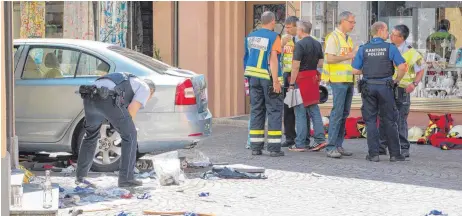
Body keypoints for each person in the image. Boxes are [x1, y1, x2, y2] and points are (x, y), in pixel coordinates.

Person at [76, 72, 156, 187]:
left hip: (89, 97)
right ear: (151, 92)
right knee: (130, 135)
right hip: (108, 97)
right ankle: (126, 179)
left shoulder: (129, 79)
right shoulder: (145, 88)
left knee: (90, 135)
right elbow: (131, 111)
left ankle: (80, 177)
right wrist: (125, 129)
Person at [352, 21, 407, 162]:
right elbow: (402, 67)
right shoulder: (390, 48)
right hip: (386, 87)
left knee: (370, 121)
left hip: (368, 87)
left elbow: (355, 70)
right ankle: (395, 154)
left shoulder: (363, 48)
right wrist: (397, 80)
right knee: (389, 120)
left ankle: (373, 154)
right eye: (387, 30)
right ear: (380, 30)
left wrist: (370, 70)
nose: (388, 33)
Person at [244, 11, 285, 157]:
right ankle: (274, 148)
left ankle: (255, 147)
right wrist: (276, 81)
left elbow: (247, 56)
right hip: (268, 78)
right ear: (273, 21)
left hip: (253, 78)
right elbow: (273, 59)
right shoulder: (274, 36)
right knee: (274, 111)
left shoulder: (250, 36)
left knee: (256, 110)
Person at [379, 24, 424, 157]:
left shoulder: (412, 52)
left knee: (401, 120)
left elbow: (420, 70)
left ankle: (403, 148)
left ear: (402, 37)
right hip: (387, 87)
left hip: (403, 89)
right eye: (391, 33)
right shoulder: (388, 48)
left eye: (394, 34)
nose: (390, 36)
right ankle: (382, 146)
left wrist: (414, 84)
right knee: (384, 116)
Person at [287, 20, 327, 152]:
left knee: (300, 112)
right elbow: (320, 63)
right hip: (312, 79)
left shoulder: (299, 45)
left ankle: (300, 143)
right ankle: (320, 140)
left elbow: (295, 66)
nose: (297, 31)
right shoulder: (317, 44)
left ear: (301, 30)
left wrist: (291, 83)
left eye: (298, 29)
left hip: (301, 79)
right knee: (314, 110)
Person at [322, 11, 356, 158]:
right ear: (343, 21)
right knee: (337, 113)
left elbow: (350, 61)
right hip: (338, 81)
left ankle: (338, 145)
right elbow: (329, 59)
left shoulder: (348, 39)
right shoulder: (333, 37)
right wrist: (348, 56)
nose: (353, 24)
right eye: (351, 21)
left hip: (349, 80)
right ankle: (330, 147)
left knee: (344, 114)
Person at [281, 16, 312, 148]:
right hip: (287, 76)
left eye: (289, 27)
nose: (287, 30)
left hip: (300, 76)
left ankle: (304, 137)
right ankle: (289, 137)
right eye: (286, 27)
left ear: (296, 27)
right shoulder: (283, 39)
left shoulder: (302, 39)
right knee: (288, 107)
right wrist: (281, 44)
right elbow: (275, 55)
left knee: (302, 108)